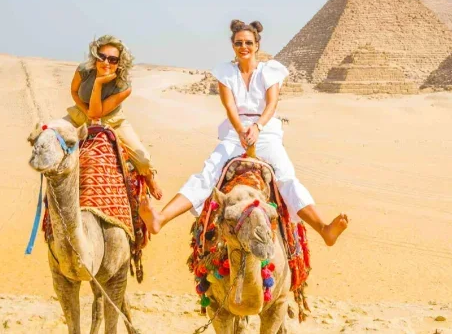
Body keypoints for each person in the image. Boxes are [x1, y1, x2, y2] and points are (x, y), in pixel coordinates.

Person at [139, 20, 348, 246]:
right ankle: (161, 218)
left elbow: (272, 104)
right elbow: (229, 106)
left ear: (257, 45)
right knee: (208, 173)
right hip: (234, 131)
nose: (244, 47)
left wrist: (257, 127)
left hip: (265, 131)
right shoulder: (225, 73)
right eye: (238, 43)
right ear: (233, 46)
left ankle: (324, 229)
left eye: (248, 42)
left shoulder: (270, 71)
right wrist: (240, 130)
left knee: (286, 178)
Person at [64, 35, 163, 199]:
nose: (106, 62)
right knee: (50, 136)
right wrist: (84, 110)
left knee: (143, 160)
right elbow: (74, 91)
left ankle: (149, 178)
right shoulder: (84, 70)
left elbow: (96, 114)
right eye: (101, 57)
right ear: (95, 56)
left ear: (120, 63)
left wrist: (98, 83)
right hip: (79, 114)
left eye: (112, 59)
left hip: (112, 120)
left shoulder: (124, 86)